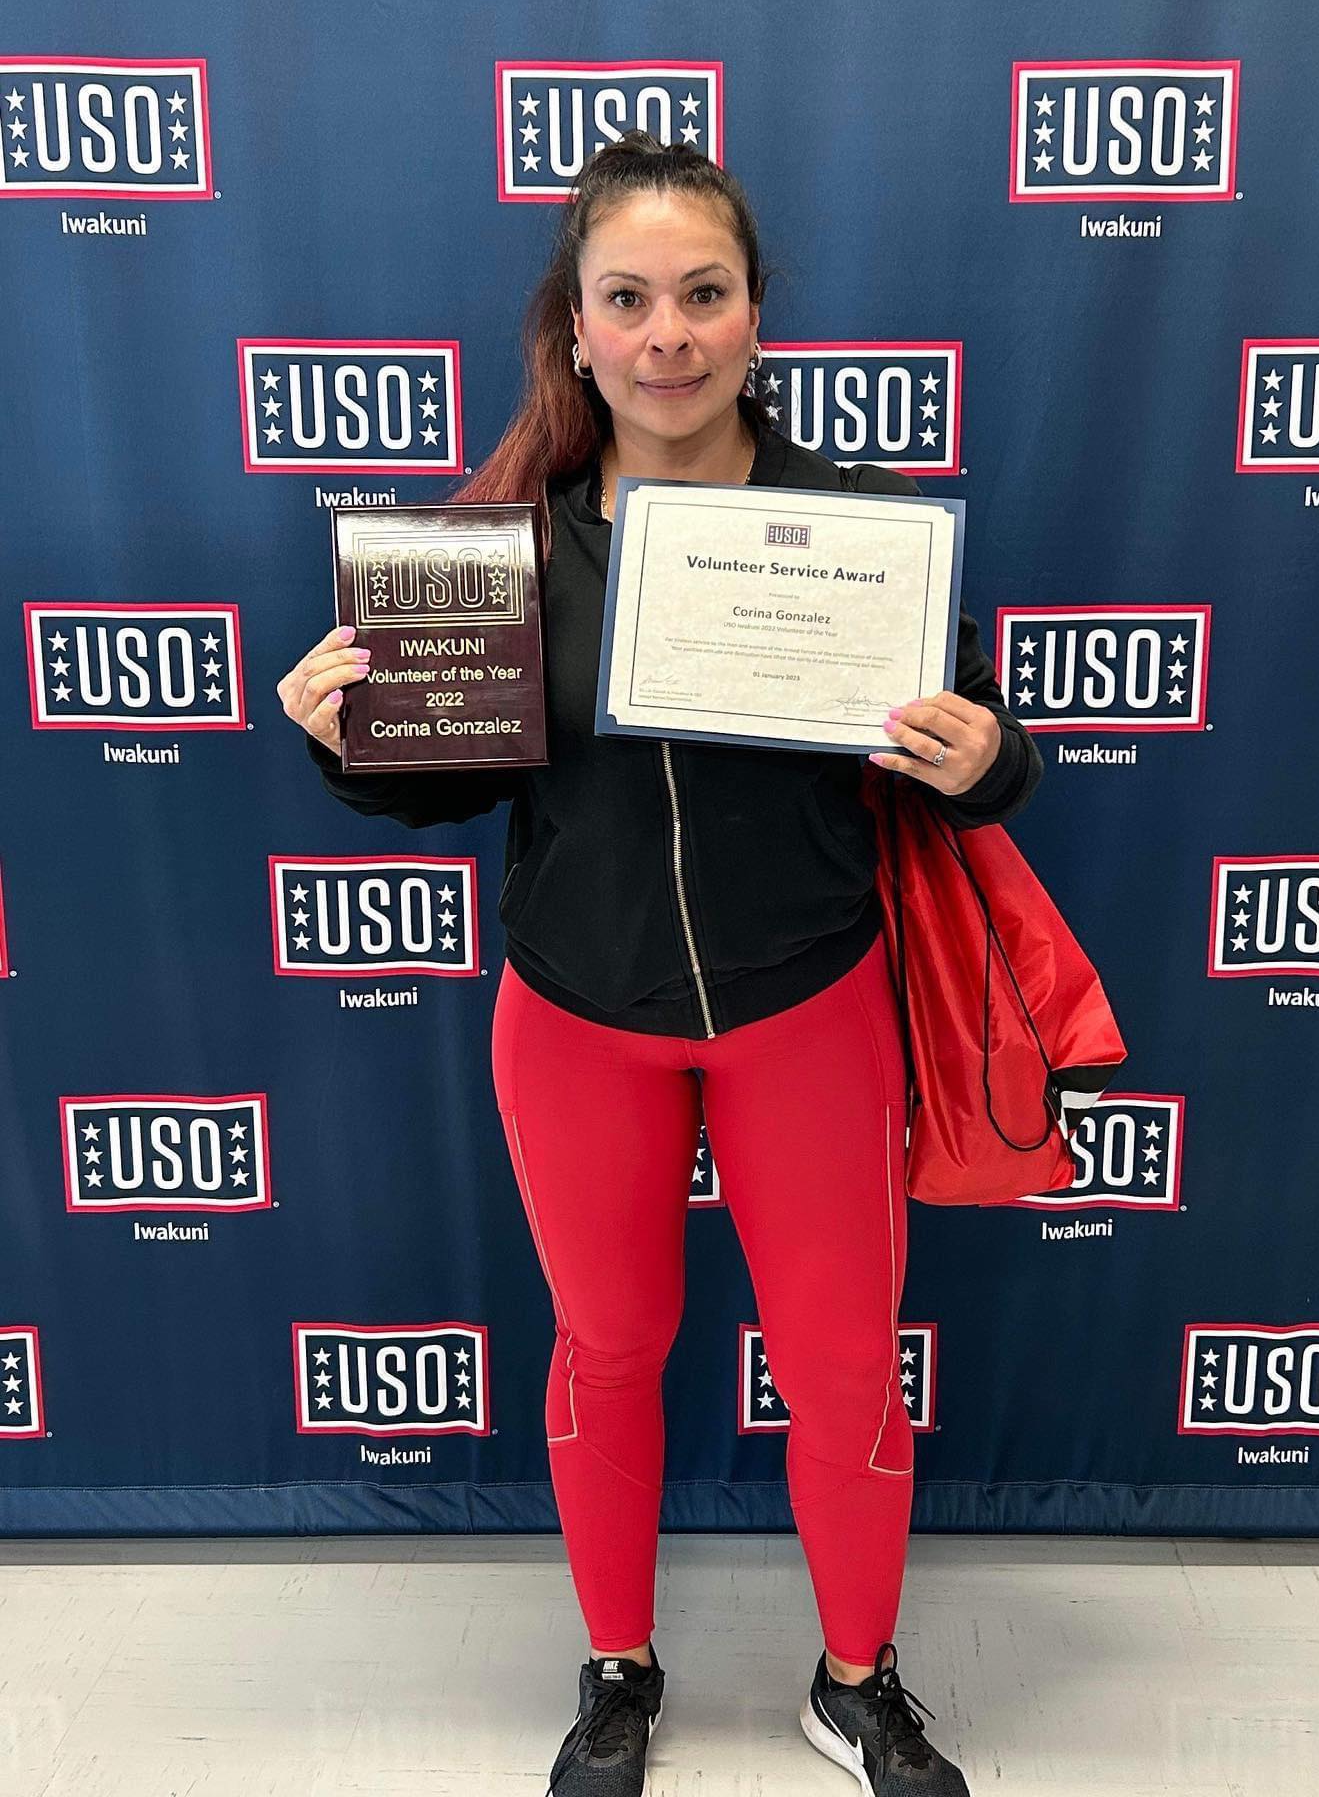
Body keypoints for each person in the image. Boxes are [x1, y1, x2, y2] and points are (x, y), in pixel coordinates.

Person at [278, 132, 1042, 1797]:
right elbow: (448, 784)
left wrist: (982, 753)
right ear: (576, 328)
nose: (669, 333)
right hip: (579, 1017)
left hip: (809, 1007)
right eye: (629, 299)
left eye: (705, 294)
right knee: (609, 1348)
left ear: (760, 316)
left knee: (845, 1358)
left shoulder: (854, 527)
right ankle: (618, 1671)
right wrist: (349, 740)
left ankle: (858, 1681)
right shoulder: (500, 547)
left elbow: (980, 760)